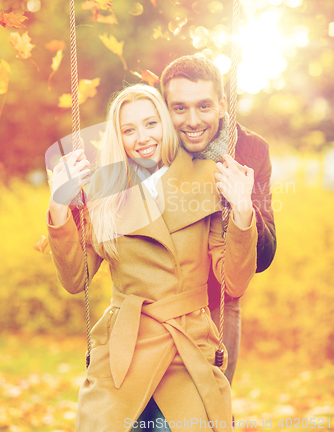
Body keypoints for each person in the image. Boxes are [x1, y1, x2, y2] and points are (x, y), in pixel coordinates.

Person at [47, 84, 258, 431]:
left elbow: (234, 280)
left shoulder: (209, 179)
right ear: (119, 136)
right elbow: (75, 280)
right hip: (123, 351)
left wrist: (243, 211)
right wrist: (58, 204)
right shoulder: (104, 190)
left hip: (187, 349)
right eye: (129, 129)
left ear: (165, 124)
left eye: (150, 124)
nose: (142, 138)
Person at [161, 55, 276, 386]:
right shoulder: (152, 145)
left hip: (217, 304)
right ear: (165, 108)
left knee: (211, 409)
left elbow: (263, 258)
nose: (193, 120)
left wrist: (242, 209)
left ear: (223, 105)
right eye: (179, 108)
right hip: (160, 302)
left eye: (204, 106)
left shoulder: (250, 150)